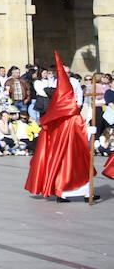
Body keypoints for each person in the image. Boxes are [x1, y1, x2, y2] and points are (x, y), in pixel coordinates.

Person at [25, 52, 95, 202]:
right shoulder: (71, 115)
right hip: (71, 150)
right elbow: (79, 131)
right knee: (76, 165)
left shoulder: (58, 114)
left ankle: (72, 193)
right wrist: (89, 130)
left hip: (64, 149)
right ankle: (66, 192)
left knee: (66, 165)